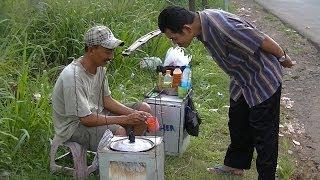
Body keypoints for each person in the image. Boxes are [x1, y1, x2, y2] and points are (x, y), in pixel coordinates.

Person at [158, 6, 296, 180]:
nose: (174, 42)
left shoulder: (224, 26)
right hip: (242, 80)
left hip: (262, 78)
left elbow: (262, 40)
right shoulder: (200, 26)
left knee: (264, 133)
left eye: (174, 38)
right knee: (238, 123)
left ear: (186, 28)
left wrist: (283, 57)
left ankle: (266, 176)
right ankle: (234, 166)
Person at [52, 25, 151, 152]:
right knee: (118, 132)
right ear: (92, 49)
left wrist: (135, 114)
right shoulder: (73, 77)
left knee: (143, 110)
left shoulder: (99, 67)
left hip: (97, 112)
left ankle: (129, 154)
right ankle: (116, 163)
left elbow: (106, 100)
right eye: (108, 52)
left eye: (113, 51)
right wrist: (125, 119)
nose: (111, 57)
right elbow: (86, 119)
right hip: (74, 126)